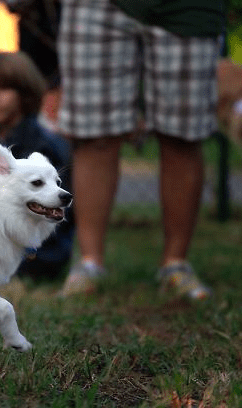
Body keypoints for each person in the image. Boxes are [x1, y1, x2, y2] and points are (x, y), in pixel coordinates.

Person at [57, 0, 225, 299]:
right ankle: (89, 264)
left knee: (184, 134)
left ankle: (176, 265)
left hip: (190, 9)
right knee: (94, 133)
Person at [0, 51, 74, 281]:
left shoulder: (45, 146)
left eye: (3, 89)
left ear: (25, 93)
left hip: (41, 256)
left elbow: (59, 214)